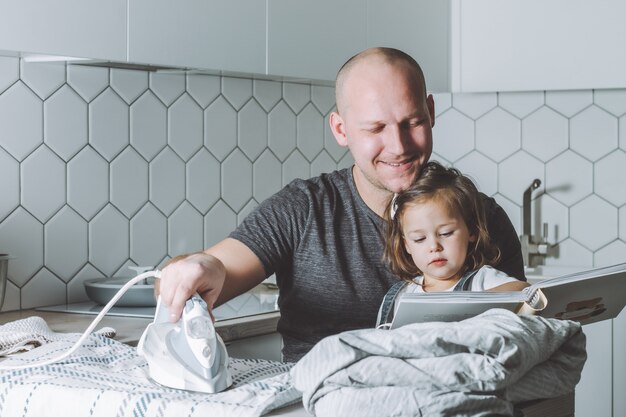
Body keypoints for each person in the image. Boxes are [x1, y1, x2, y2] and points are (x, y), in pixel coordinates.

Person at [158, 47, 526, 362]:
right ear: (341, 130)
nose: (398, 147)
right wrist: (195, 267)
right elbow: (211, 270)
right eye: (375, 129)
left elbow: (521, 333)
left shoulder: (482, 216)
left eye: (411, 122)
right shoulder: (303, 209)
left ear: (430, 112)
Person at [376, 161, 529, 327]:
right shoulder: (400, 296)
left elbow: (527, 291)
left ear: (471, 231)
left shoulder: (482, 280)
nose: (434, 246)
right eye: (419, 239)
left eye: (446, 233)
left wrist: (479, 301)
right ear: (406, 245)